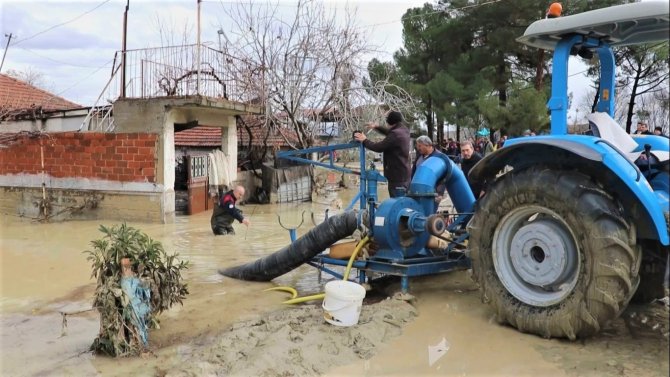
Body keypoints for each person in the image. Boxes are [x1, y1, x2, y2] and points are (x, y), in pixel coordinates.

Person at [354, 111, 411, 197]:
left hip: (396, 176)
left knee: (397, 202)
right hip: (404, 173)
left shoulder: (395, 134)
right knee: (404, 201)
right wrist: (376, 127)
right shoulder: (404, 130)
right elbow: (389, 132)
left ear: (389, 122)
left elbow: (378, 147)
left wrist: (364, 140)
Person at [412, 136, 447, 204]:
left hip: (432, 193)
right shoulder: (419, 156)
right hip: (418, 192)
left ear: (427, 145)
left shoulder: (439, 157)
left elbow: (443, 177)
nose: (418, 148)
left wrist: (439, 193)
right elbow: (413, 172)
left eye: (420, 146)